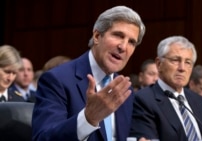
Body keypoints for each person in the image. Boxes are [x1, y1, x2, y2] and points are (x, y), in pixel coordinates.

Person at [32, 5, 145, 141]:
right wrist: (88, 119)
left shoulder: (125, 91)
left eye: (131, 42)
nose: (123, 47)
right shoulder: (57, 80)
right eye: (118, 35)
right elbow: (43, 138)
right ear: (97, 36)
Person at [129, 36, 202, 141]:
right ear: (159, 64)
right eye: (175, 60)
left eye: (188, 62)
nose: (182, 68)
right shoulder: (143, 100)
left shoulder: (199, 101)